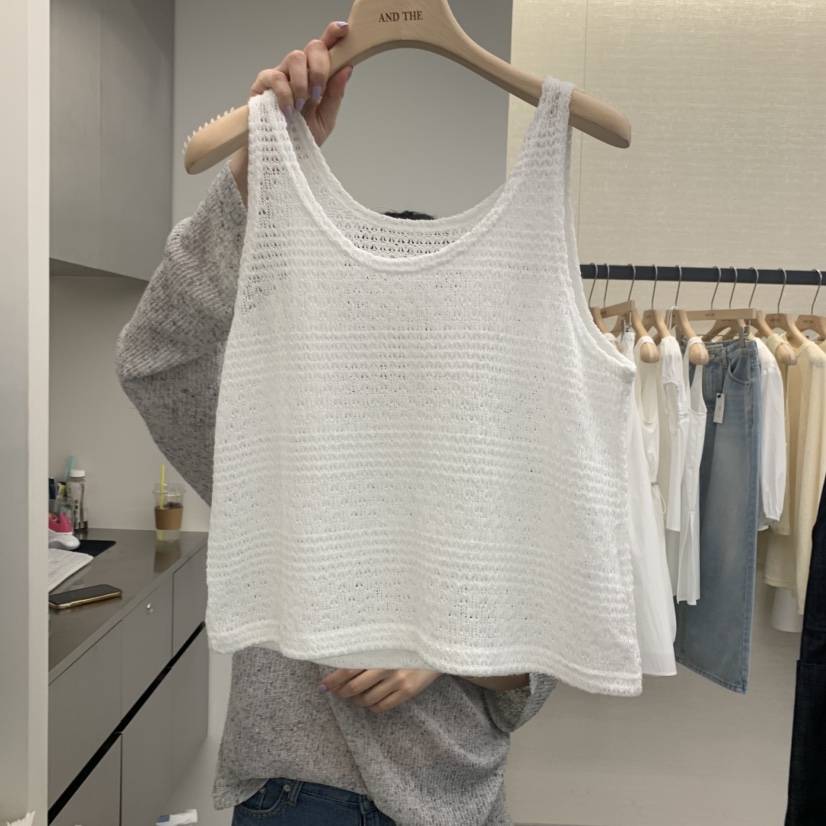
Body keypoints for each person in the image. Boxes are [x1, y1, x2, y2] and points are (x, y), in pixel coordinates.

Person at [115, 20, 557, 826]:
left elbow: (539, 672)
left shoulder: (498, 465)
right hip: (301, 794)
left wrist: (442, 645)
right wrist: (255, 184)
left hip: (461, 803)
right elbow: (155, 359)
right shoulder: (286, 443)